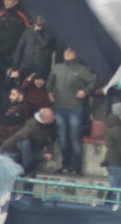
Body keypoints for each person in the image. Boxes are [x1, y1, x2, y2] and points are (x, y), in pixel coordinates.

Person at [48, 46, 96, 175]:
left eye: (71, 50)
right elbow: (50, 81)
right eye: (66, 50)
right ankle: (66, 165)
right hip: (59, 107)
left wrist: (85, 91)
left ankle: (77, 167)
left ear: (76, 53)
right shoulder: (58, 67)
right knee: (63, 139)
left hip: (75, 108)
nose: (67, 52)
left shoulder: (82, 69)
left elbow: (93, 81)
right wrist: (49, 92)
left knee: (74, 139)